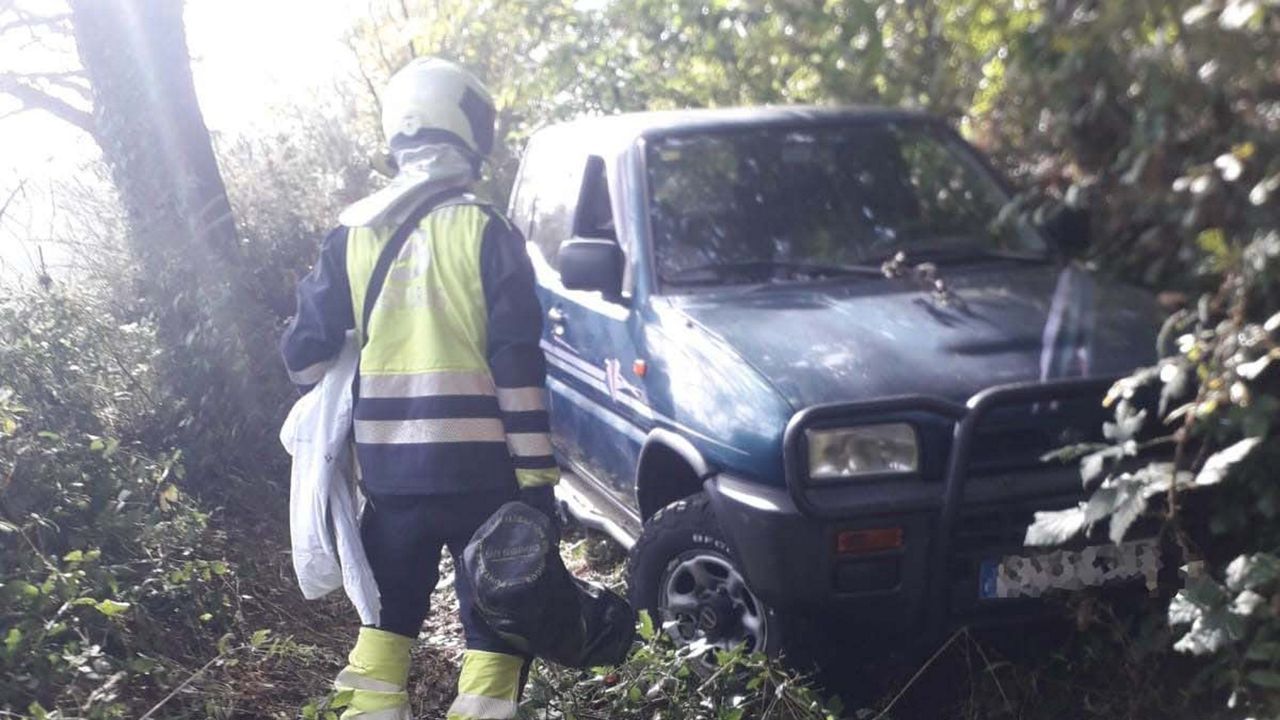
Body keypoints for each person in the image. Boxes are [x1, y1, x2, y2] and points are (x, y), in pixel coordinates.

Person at [280, 57, 558, 720]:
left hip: (391, 477)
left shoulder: (350, 235)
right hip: (483, 476)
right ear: (466, 129)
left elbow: (303, 354)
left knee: (387, 619)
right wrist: (538, 482)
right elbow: (518, 370)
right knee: (496, 622)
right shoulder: (488, 232)